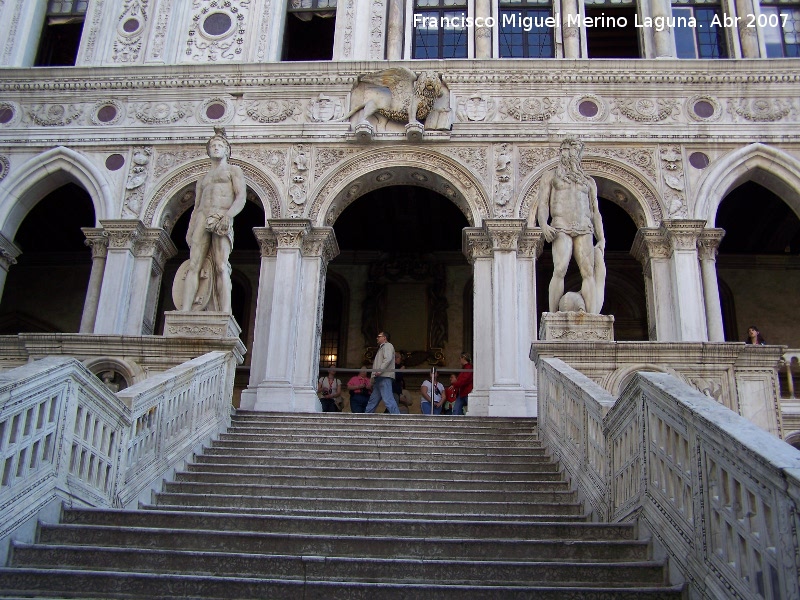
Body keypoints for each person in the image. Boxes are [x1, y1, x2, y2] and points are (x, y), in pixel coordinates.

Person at [181, 127, 247, 313]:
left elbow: (240, 197)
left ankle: (225, 312)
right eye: (213, 146)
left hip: (221, 215)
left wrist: (229, 215)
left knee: (221, 265)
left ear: (227, 150)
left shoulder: (233, 171)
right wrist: (190, 228)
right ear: (208, 151)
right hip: (202, 216)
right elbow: (196, 206)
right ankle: (185, 310)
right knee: (194, 264)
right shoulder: (203, 179)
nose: (216, 148)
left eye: (220, 145)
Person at [537, 138, 606, 314]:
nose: (571, 153)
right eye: (568, 149)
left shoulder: (588, 181)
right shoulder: (551, 176)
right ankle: (553, 315)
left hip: (584, 226)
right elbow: (543, 204)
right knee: (560, 269)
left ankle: (592, 316)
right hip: (561, 226)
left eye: (575, 150)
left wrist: (602, 237)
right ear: (562, 152)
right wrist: (543, 224)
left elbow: (595, 211)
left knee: (588, 271)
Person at [366, 331, 401, 414]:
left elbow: (387, 359)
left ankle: (398, 418)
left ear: (384, 337)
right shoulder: (383, 347)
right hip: (380, 377)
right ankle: (366, 416)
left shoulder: (388, 346)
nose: (377, 338)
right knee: (373, 400)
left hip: (384, 376)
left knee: (388, 399)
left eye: (379, 336)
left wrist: (379, 370)